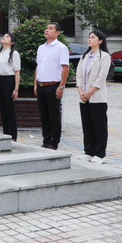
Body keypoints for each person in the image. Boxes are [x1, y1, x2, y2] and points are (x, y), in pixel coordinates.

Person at [75, 30, 112, 163]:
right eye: (89, 37)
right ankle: (89, 151)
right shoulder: (85, 56)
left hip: (97, 97)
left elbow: (101, 78)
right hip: (83, 96)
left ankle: (100, 153)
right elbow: (79, 75)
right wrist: (81, 91)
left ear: (100, 41)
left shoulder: (105, 56)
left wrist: (90, 92)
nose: (89, 39)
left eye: (93, 37)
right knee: (87, 125)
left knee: (99, 126)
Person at [34, 22, 70, 150]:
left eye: (50, 29)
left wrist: (61, 86)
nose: (47, 31)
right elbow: (38, 66)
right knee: (44, 115)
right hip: (41, 85)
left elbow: (65, 68)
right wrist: (35, 84)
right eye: (46, 28)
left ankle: (54, 142)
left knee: (54, 115)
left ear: (58, 33)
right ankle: (46, 140)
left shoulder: (61, 48)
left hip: (53, 85)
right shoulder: (41, 48)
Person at [0, 32, 21, 141]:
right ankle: (5, 134)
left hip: (9, 80)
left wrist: (16, 89)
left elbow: (17, 71)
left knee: (10, 109)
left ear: (12, 42)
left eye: (7, 37)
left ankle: (13, 136)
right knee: (2, 110)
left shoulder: (14, 54)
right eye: (4, 36)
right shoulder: (0, 53)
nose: (4, 37)